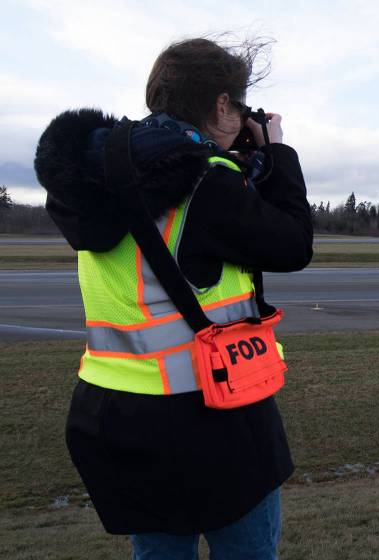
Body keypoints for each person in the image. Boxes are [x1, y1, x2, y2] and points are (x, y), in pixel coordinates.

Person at [34, 37, 312, 558]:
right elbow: (294, 244)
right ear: (222, 105)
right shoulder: (207, 183)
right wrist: (277, 152)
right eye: (239, 103)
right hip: (210, 413)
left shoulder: (95, 178)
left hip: (113, 414)